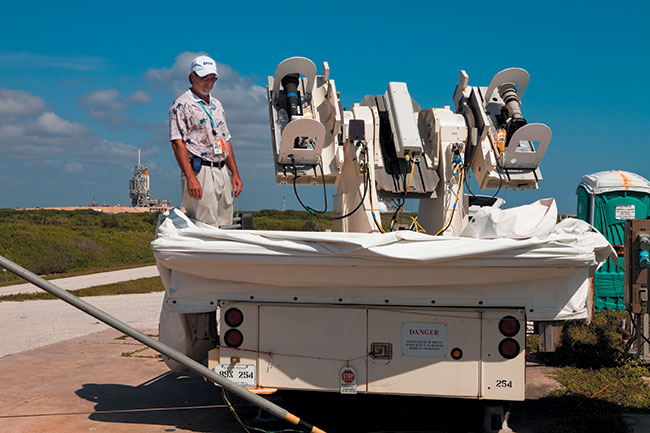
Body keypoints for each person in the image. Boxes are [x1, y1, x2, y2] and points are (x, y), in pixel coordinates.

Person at [169, 55, 243, 227]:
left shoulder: (217, 104)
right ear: (192, 77)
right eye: (204, 79)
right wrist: (190, 178)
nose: (209, 83)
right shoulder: (181, 104)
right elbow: (177, 142)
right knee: (204, 224)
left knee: (225, 222)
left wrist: (235, 174)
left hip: (221, 169)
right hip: (199, 170)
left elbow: (226, 140)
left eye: (212, 79)